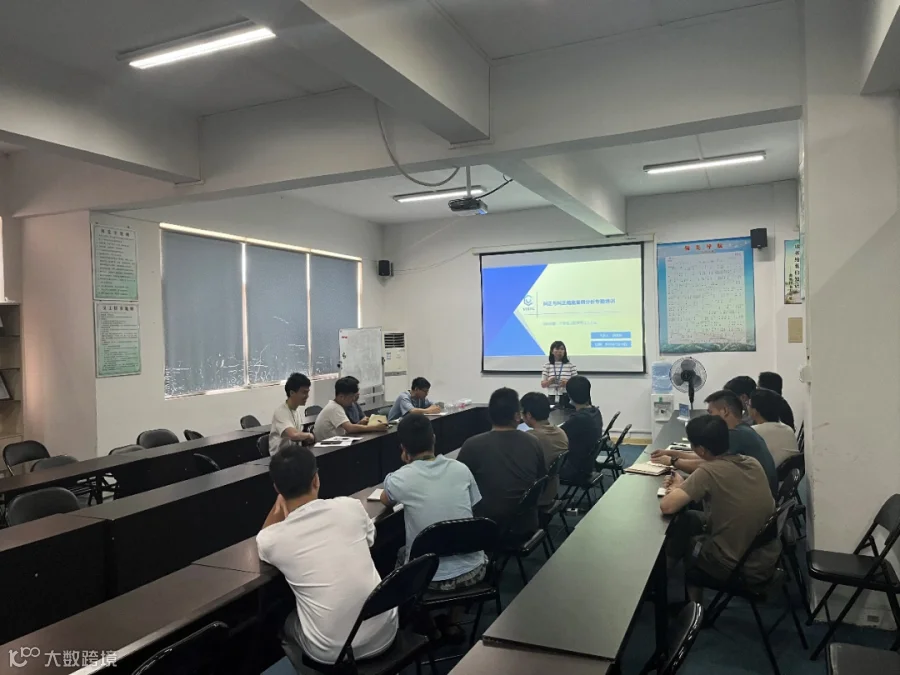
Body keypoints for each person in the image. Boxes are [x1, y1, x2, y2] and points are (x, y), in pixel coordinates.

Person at [256, 445, 398, 666]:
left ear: (277, 488)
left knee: (280, 617)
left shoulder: (273, 539)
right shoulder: (351, 507)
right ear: (316, 479)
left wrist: (279, 505)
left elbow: (263, 537)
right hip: (387, 631)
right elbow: (370, 540)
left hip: (336, 653)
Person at [381, 415, 486, 640]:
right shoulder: (461, 469)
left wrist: (407, 466)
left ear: (403, 448)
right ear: (434, 439)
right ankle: (453, 623)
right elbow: (473, 507)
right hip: (473, 572)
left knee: (400, 556)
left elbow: (385, 500)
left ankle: (428, 625)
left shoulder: (401, 478)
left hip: (427, 579)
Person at [660, 415, 780, 599]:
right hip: (765, 556)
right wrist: (683, 486)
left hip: (742, 566)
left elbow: (667, 507)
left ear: (700, 450)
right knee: (689, 519)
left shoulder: (707, 472)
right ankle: (665, 576)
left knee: (688, 544)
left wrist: (677, 488)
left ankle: (690, 604)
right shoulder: (751, 462)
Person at [652, 390, 778, 496]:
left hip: (752, 497)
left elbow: (707, 465)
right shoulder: (742, 429)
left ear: (725, 411)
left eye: (711, 412)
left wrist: (673, 461)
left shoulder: (735, 435)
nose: (709, 417)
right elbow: (706, 456)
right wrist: (672, 453)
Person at [458, 388, 546, 536]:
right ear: (517, 416)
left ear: (490, 415)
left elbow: (458, 487)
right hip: (526, 523)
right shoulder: (533, 442)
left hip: (487, 526)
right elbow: (542, 479)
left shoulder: (472, 445)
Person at [521, 392, 568, 507]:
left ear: (528, 415)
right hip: (551, 491)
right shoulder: (560, 432)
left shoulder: (530, 438)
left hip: (533, 497)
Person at [558, 376, 603, 484]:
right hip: (587, 465)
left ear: (570, 395)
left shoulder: (579, 419)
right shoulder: (595, 412)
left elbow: (556, 436)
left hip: (574, 469)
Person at [314, 377, 388, 441]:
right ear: (341, 397)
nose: (353, 400)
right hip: (328, 448)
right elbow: (350, 428)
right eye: (351, 397)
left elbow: (347, 429)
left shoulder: (336, 406)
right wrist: (375, 427)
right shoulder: (334, 408)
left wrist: (359, 424)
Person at [748, 388, 800, 467]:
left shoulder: (753, 432)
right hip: (788, 473)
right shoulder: (788, 429)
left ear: (755, 411)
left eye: (748, 404)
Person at [269, 372, 316, 455]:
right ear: (292, 393)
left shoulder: (296, 410)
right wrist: (309, 435)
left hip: (293, 454)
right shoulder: (281, 412)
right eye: (304, 392)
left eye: (308, 392)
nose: (307, 396)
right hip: (280, 457)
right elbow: (293, 435)